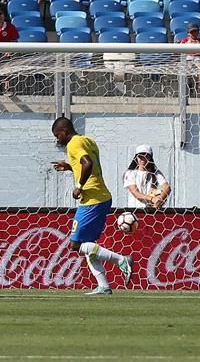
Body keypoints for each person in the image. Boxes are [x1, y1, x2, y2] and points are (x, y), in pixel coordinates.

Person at [51, 117, 134, 295]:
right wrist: (69, 166)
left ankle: (122, 260)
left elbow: (87, 163)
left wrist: (78, 187)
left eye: (57, 136)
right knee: (88, 244)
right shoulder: (88, 140)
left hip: (92, 199)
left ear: (64, 132)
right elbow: (89, 166)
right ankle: (103, 285)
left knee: (75, 245)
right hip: (102, 197)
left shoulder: (73, 144)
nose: (57, 140)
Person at [123, 145, 171, 210]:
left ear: (150, 158)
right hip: (134, 210)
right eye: (140, 157)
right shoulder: (130, 173)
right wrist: (152, 199)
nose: (143, 159)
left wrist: (160, 198)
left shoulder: (156, 172)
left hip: (151, 211)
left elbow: (167, 187)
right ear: (136, 158)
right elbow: (136, 193)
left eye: (146, 156)